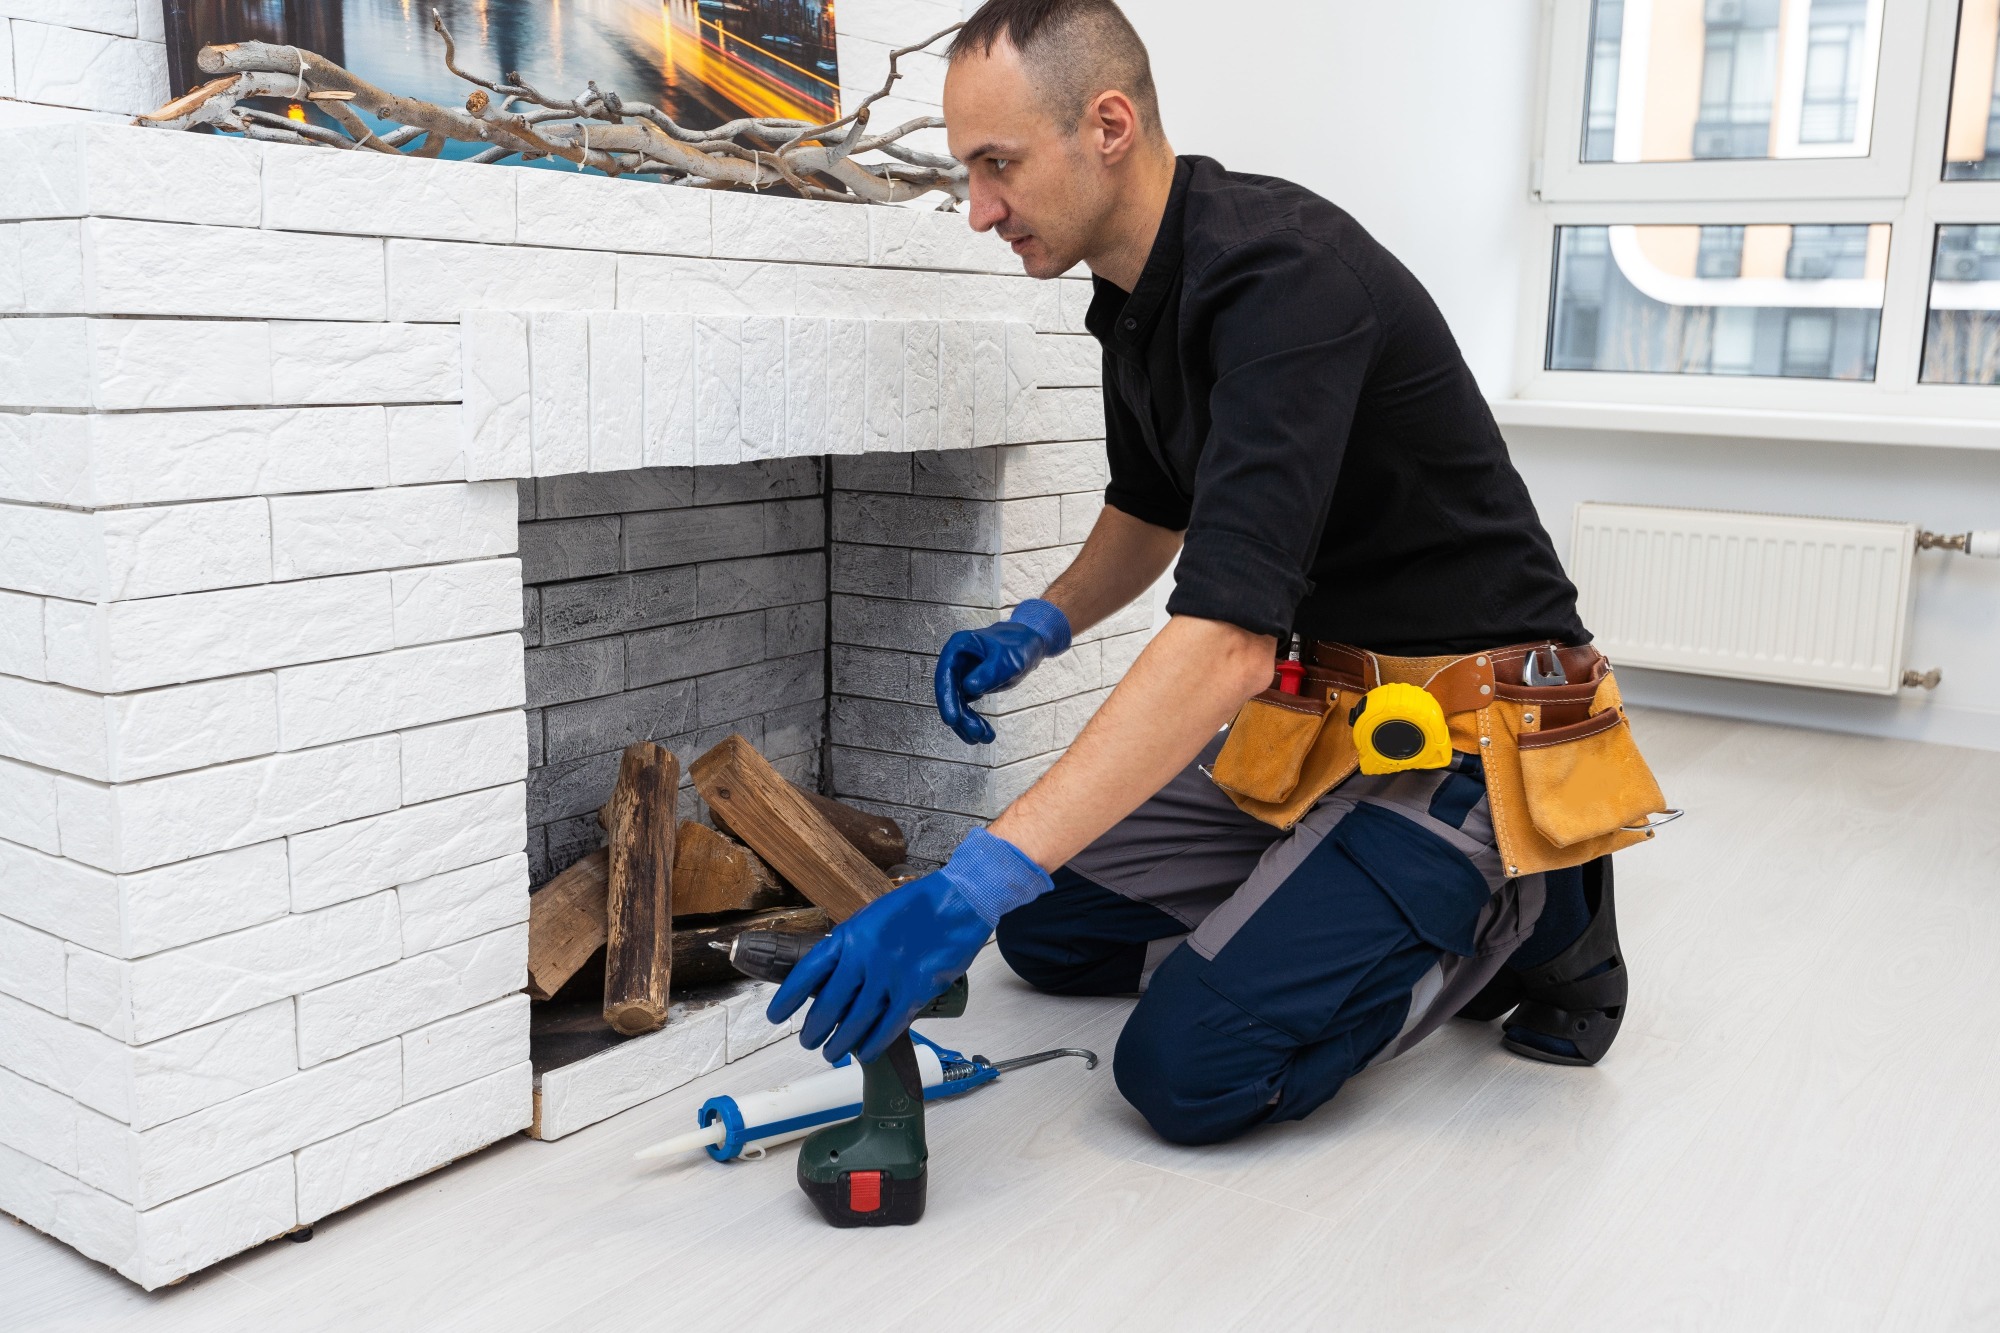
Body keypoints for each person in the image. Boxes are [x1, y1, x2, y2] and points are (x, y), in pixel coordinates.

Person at [770, 0, 1667, 1146]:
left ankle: (1540, 906)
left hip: (1463, 739)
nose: (978, 210)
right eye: (967, 173)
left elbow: (1228, 645)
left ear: (1106, 125)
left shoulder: (1282, 279)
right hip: (1331, 724)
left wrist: (966, 884)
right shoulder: (1133, 293)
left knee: (1186, 1070)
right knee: (1049, 933)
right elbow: (1152, 508)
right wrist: (1037, 624)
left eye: (996, 167)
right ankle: (1330, 904)